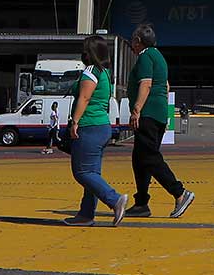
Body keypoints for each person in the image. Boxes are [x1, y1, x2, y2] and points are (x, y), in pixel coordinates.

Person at [126, 24, 195, 218]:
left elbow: (146, 84)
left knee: (149, 156)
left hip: (148, 114)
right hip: (158, 114)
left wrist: (137, 109)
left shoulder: (146, 56)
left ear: (138, 41)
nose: (132, 45)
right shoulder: (159, 57)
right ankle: (141, 203)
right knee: (139, 159)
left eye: (133, 41)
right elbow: (165, 85)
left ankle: (179, 192)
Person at [64, 36, 127, 227]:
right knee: (92, 173)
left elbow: (84, 97)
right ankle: (86, 214)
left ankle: (114, 199)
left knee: (82, 171)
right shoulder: (105, 73)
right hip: (101, 127)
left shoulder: (91, 71)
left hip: (89, 126)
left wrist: (74, 122)